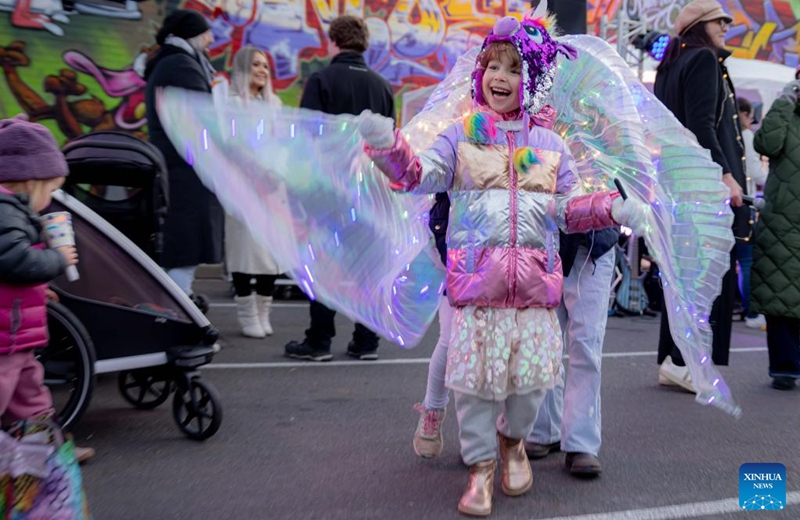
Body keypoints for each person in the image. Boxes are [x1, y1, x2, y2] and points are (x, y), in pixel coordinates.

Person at [359, 13, 647, 516]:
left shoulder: (551, 147)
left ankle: (514, 445)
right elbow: (418, 176)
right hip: (478, 291)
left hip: (535, 293)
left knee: (530, 384)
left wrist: (610, 208)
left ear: (531, 80)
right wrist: (389, 149)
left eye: (514, 68)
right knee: (474, 388)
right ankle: (481, 470)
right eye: (493, 65)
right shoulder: (461, 135)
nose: (500, 77)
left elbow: (566, 209)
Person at [284, 15, 394, 362]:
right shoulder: (381, 86)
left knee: (325, 263)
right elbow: (390, 141)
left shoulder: (321, 80)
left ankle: (319, 341)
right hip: (370, 189)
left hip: (328, 190)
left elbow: (306, 136)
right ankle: (366, 340)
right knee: (366, 265)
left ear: (333, 42)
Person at [653, 0, 749, 392]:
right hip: (701, 186)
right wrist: (726, 176)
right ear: (698, 26)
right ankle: (684, 361)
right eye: (718, 21)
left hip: (677, 184)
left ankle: (675, 359)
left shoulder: (670, 67)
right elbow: (703, 127)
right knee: (706, 273)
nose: (725, 26)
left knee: (683, 274)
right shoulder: (705, 61)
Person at [0, 117, 91, 468]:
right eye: (49, 189)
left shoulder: (14, 210)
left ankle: (48, 450)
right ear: (28, 180)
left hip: (16, 335)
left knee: (31, 397)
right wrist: (56, 259)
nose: (50, 199)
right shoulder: (5, 209)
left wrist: (42, 288)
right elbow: (12, 259)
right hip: (5, 336)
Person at [144, 9, 224, 311]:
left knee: (183, 246)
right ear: (191, 34)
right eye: (206, 32)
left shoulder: (171, 62)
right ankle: (178, 313)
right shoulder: (181, 65)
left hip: (179, 168)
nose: (211, 38)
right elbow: (201, 119)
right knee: (185, 247)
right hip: (186, 171)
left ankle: (177, 307)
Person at [524, 227, 618, 477]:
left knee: (587, 345)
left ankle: (581, 442)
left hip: (593, 245)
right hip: (544, 240)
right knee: (541, 343)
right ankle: (544, 429)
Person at [226, 46, 283, 338]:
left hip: (271, 190)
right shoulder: (230, 104)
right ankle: (247, 314)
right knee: (244, 253)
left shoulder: (274, 104)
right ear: (243, 68)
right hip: (241, 188)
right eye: (256, 64)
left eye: (265, 66)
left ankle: (263, 310)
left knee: (269, 254)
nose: (262, 70)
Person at [751, 77, 800, 391]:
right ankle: (784, 367)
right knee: (780, 292)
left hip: (784, 217)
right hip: (783, 219)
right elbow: (765, 144)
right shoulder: (786, 113)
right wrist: (785, 100)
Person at [412, 193, 451, 459]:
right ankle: (433, 410)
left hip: (506, 246)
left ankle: (504, 435)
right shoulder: (453, 150)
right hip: (457, 245)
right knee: (451, 340)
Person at [736, 96, 767, 330]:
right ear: (745, 115)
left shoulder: (725, 133)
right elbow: (756, 173)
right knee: (747, 261)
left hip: (727, 201)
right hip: (744, 202)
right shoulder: (746, 136)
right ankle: (752, 311)